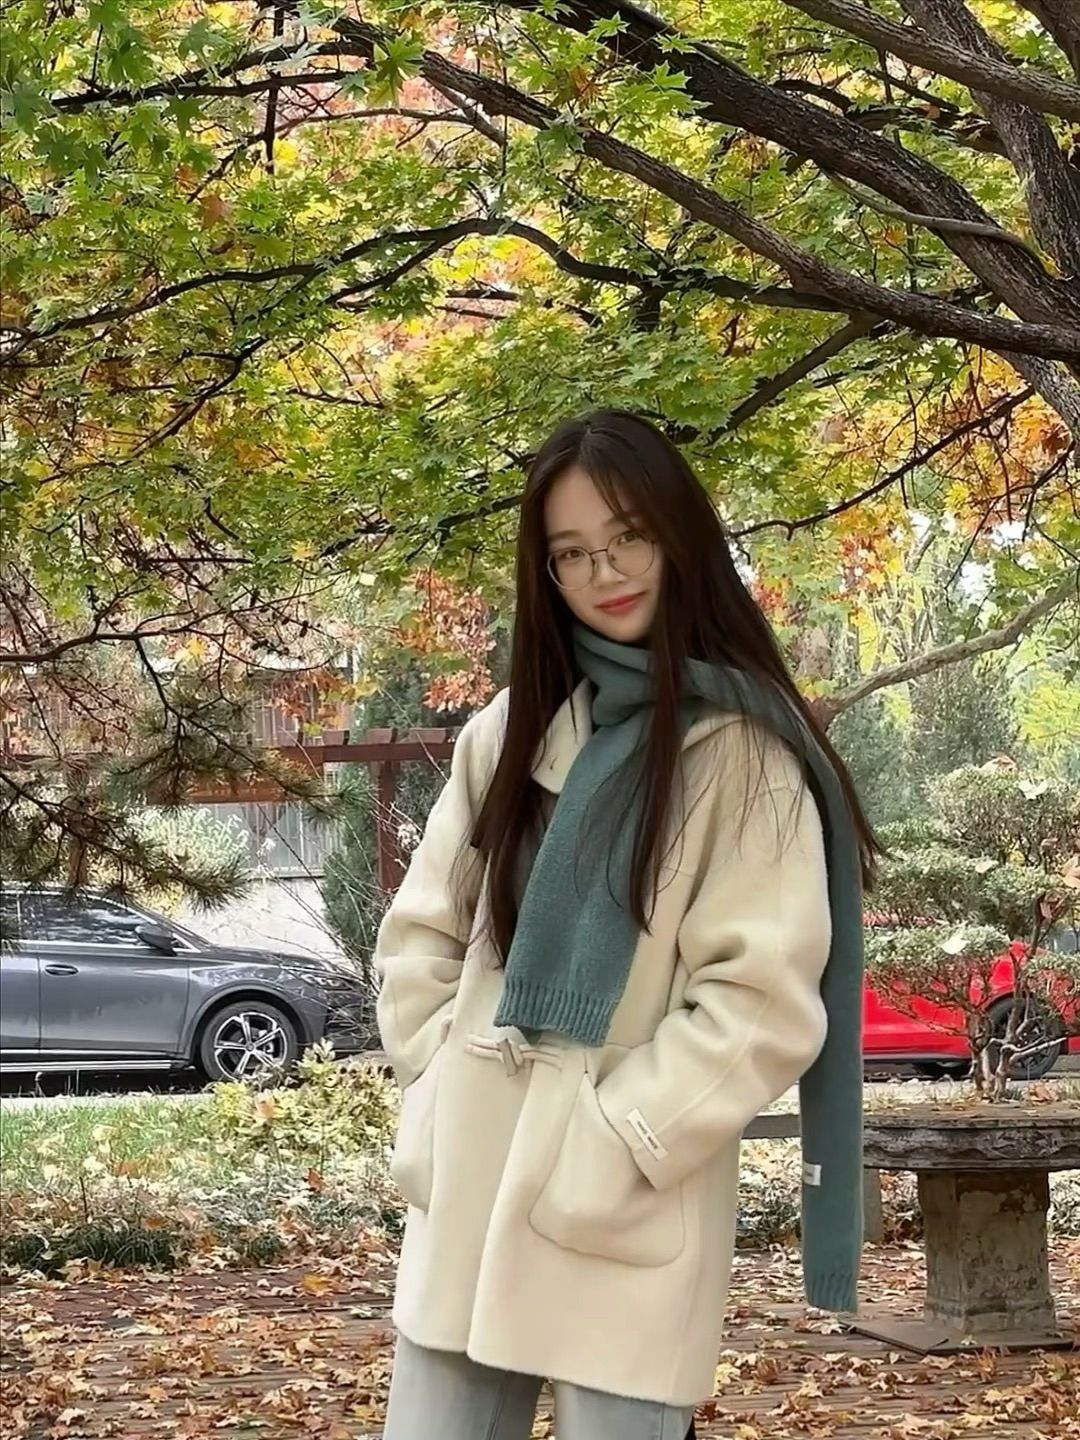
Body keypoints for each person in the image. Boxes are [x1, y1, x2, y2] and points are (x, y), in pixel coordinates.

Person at [375, 409, 878, 1440]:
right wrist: (436, 1084)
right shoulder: (509, 732)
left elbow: (760, 1003)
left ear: (678, 535)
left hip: (620, 1208)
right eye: (571, 552)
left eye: (628, 536)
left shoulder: (741, 754)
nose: (603, 572)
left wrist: (620, 1137)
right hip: (468, 1183)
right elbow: (421, 933)